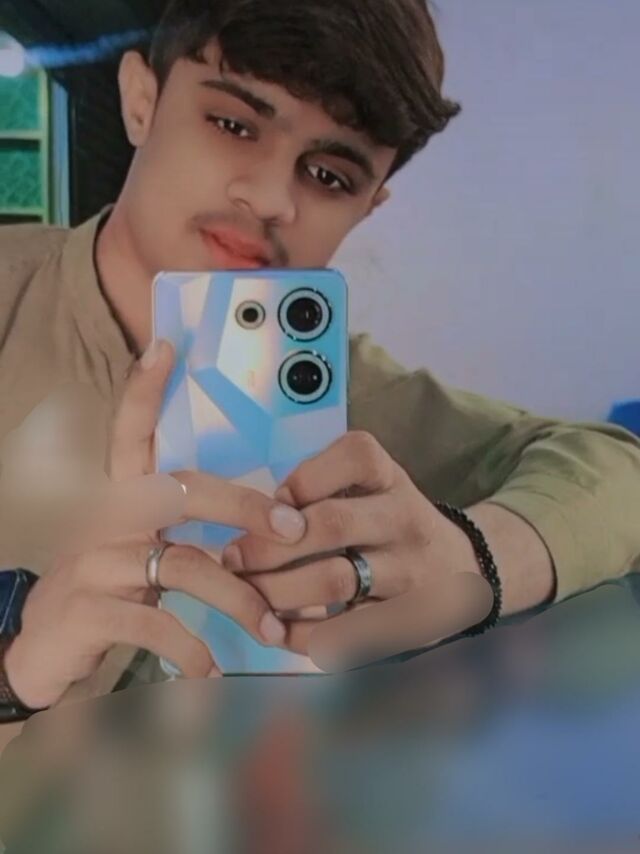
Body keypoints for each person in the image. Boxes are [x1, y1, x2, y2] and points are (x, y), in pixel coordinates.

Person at [1, 0, 639, 730]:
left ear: (369, 206)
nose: (271, 199)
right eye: (233, 125)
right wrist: (15, 672)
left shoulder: (352, 412)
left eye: (330, 175)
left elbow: (619, 469)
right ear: (141, 100)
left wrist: (479, 560)